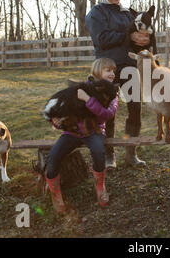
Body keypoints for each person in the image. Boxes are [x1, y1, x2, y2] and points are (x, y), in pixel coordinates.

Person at [85, 0, 154, 169]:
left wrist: (143, 40)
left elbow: (136, 35)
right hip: (107, 68)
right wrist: (128, 35)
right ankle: (109, 154)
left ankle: (131, 152)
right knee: (108, 112)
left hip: (129, 66)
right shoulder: (97, 12)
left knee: (135, 108)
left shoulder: (127, 13)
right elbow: (102, 39)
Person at [45, 58, 119, 214]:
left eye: (113, 71)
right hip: (72, 132)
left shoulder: (112, 92)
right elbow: (64, 106)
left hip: (94, 132)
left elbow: (107, 114)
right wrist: (55, 120)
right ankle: (55, 194)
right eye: (108, 70)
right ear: (97, 71)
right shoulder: (79, 87)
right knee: (53, 156)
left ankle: (100, 186)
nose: (112, 74)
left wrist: (87, 99)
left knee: (99, 152)